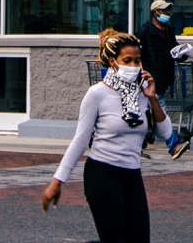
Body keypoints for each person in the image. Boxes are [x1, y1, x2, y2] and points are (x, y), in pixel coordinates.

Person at [41, 28, 172, 242]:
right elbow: (81, 140)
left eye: (137, 61)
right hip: (103, 174)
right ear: (113, 62)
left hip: (132, 175)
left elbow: (165, 132)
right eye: (127, 60)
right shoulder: (97, 94)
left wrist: (153, 98)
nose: (133, 66)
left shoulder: (142, 93)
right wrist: (58, 181)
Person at [138, 0, 191, 159]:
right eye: (164, 11)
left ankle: (138, 145)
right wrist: (143, 74)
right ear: (155, 13)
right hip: (150, 79)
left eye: (169, 11)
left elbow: (173, 52)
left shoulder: (168, 30)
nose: (168, 13)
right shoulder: (145, 31)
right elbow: (138, 55)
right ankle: (173, 145)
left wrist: (184, 54)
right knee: (160, 112)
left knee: (143, 114)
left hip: (163, 78)